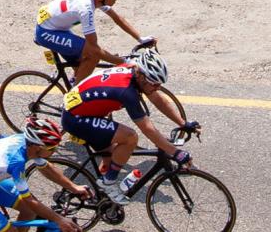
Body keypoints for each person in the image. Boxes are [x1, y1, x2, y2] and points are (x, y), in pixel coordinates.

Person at [61, 54, 192, 201]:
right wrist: (176, 153)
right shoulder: (126, 91)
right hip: (76, 118)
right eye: (154, 84)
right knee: (130, 137)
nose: (157, 87)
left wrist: (182, 123)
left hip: (84, 112)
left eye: (159, 84)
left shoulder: (133, 72)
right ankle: (108, 184)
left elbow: (158, 99)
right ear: (141, 76)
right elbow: (147, 128)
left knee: (111, 158)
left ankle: (101, 202)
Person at [32, 0, 152, 85]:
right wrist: (125, 62)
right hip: (46, 32)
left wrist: (140, 38)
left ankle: (75, 83)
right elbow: (94, 49)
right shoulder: (85, 8)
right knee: (93, 56)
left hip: (56, 26)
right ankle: (73, 98)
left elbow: (117, 18)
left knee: (83, 63)